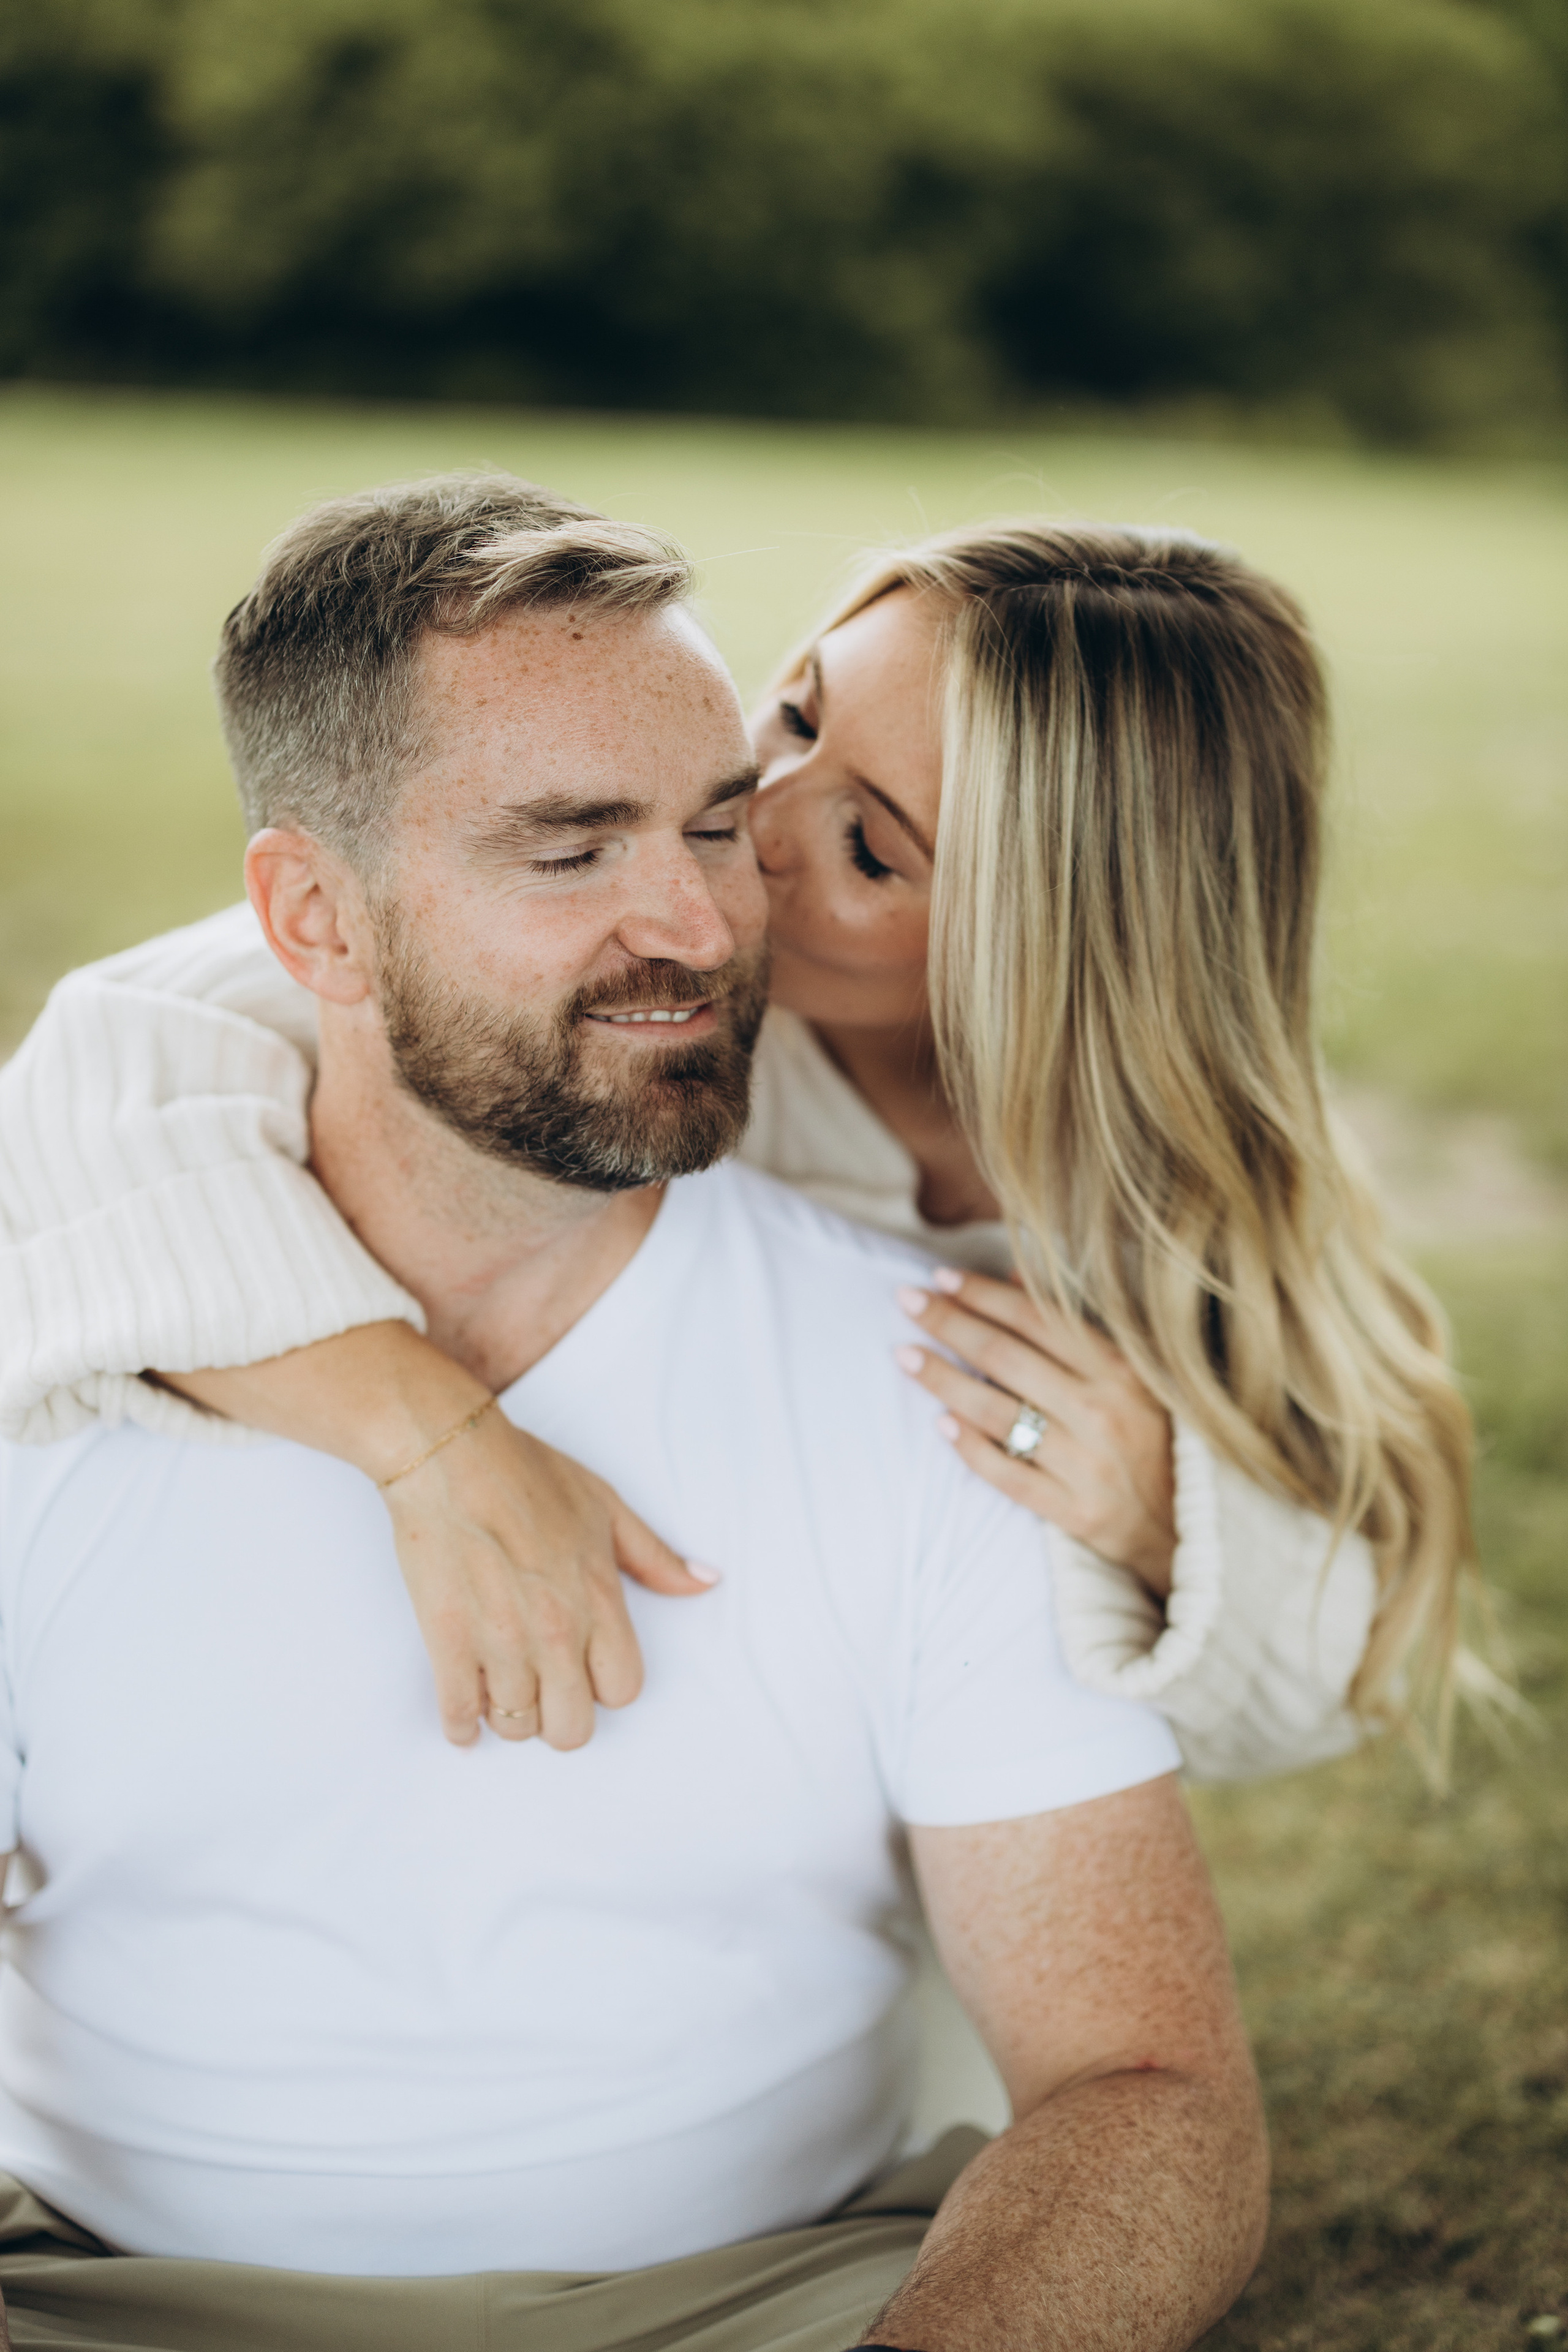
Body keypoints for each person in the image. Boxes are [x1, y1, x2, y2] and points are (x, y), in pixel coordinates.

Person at [0, 477, 1268, 2350]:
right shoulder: (63, 1336)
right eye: (568, 849)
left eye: (714, 825)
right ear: (315, 922)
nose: (694, 920)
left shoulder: (953, 1383)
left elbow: (1148, 2088)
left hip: (781, 2306)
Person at [0, 499, 1472, 1790]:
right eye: (799, 716)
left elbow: (1341, 1677)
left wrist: (1162, 1521)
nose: (738, 824)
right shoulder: (604, 1009)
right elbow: (95, 1083)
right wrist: (430, 1439)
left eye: (868, 847)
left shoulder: (1172, 1216)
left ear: (1047, 950)